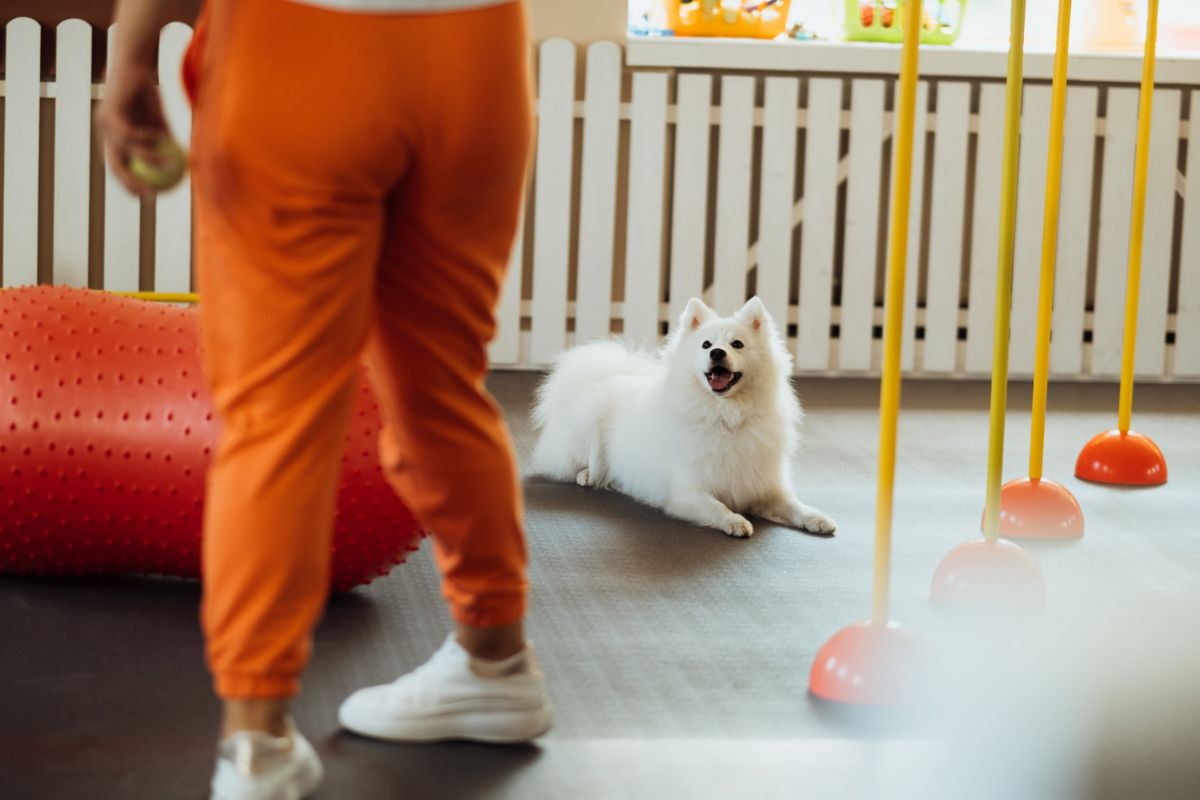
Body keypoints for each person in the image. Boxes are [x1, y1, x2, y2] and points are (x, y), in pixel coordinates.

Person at [99, 1, 550, 797]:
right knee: (443, 385)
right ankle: (496, 660)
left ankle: (257, 744)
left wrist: (131, 56)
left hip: (300, 44)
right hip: (478, 52)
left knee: (278, 417)